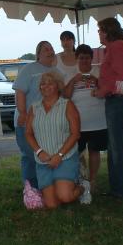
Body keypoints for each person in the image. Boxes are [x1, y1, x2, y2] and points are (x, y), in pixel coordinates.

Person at [25, 71, 83, 208]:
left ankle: (82, 187)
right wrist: (39, 152)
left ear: (58, 86)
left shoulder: (67, 105)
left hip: (65, 158)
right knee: (52, 205)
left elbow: (75, 134)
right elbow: (28, 133)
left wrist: (59, 155)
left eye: (50, 83)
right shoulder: (34, 107)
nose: (46, 86)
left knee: (65, 197)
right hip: (43, 161)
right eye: (43, 84)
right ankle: (59, 188)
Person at [93, 17, 123, 199]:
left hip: (119, 100)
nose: (98, 34)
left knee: (119, 146)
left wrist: (102, 90)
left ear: (107, 31)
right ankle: (118, 188)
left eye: (100, 30)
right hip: (116, 100)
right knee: (115, 145)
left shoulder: (117, 46)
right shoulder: (114, 47)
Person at [13, 41, 59, 189]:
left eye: (51, 48)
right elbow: (20, 91)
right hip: (26, 120)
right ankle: (31, 189)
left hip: (45, 123)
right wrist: (22, 112)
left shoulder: (56, 71)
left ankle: (44, 186)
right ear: (38, 53)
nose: (50, 51)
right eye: (46, 49)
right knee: (30, 155)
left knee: (43, 154)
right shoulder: (29, 69)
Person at [64, 44, 107, 199]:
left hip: (98, 121)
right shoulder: (70, 73)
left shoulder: (98, 71)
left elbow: (105, 90)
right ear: (77, 58)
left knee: (94, 151)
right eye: (81, 58)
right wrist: (73, 81)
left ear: (91, 58)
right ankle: (82, 179)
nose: (84, 61)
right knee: (76, 152)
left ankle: (93, 179)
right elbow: (66, 95)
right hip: (78, 122)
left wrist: (95, 80)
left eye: (87, 57)